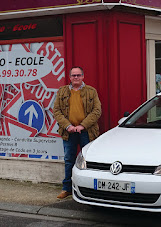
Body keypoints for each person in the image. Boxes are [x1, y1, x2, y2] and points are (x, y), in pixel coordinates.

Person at [53, 66, 101, 199]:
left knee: (88, 160)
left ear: (83, 77)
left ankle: (89, 188)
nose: (76, 77)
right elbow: (56, 111)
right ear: (69, 77)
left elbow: (97, 111)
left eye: (78, 75)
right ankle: (67, 188)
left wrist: (82, 126)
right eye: (73, 75)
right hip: (68, 132)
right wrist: (68, 125)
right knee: (69, 160)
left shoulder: (91, 91)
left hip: (87, 131)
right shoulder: (62, 92)